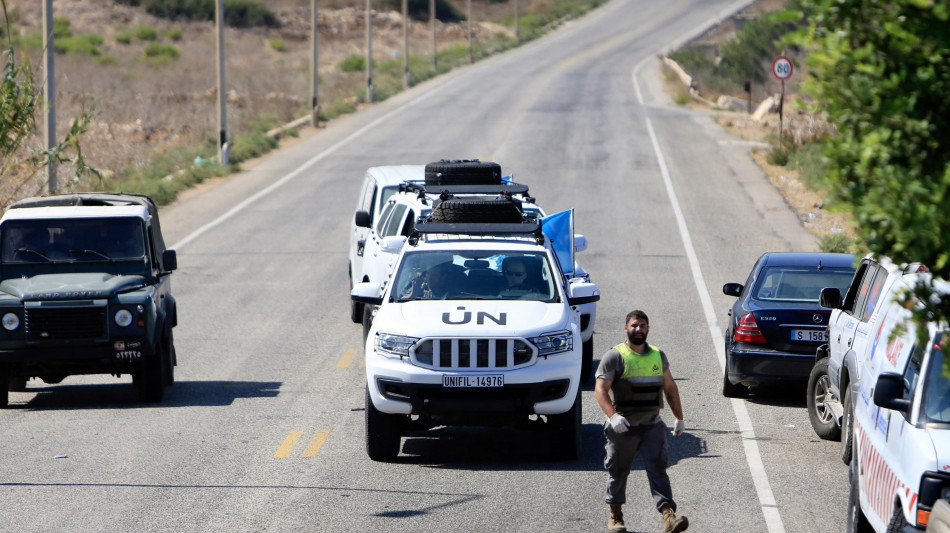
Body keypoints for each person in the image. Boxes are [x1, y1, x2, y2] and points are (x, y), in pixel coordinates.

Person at [594, 310, 689, 533]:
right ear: (626, 328)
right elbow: (600, 389)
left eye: (643, 326)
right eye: (634, 325)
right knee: (618, 471)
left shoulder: (658, 355)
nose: (639, 329)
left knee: (658, 470)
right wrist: (613, 416)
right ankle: (615, 515)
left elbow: (670, 389)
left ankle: (669, 516)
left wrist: (679, 418)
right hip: (623, 427)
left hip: (651, 426)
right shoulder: (615, 356)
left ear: (648, 329)